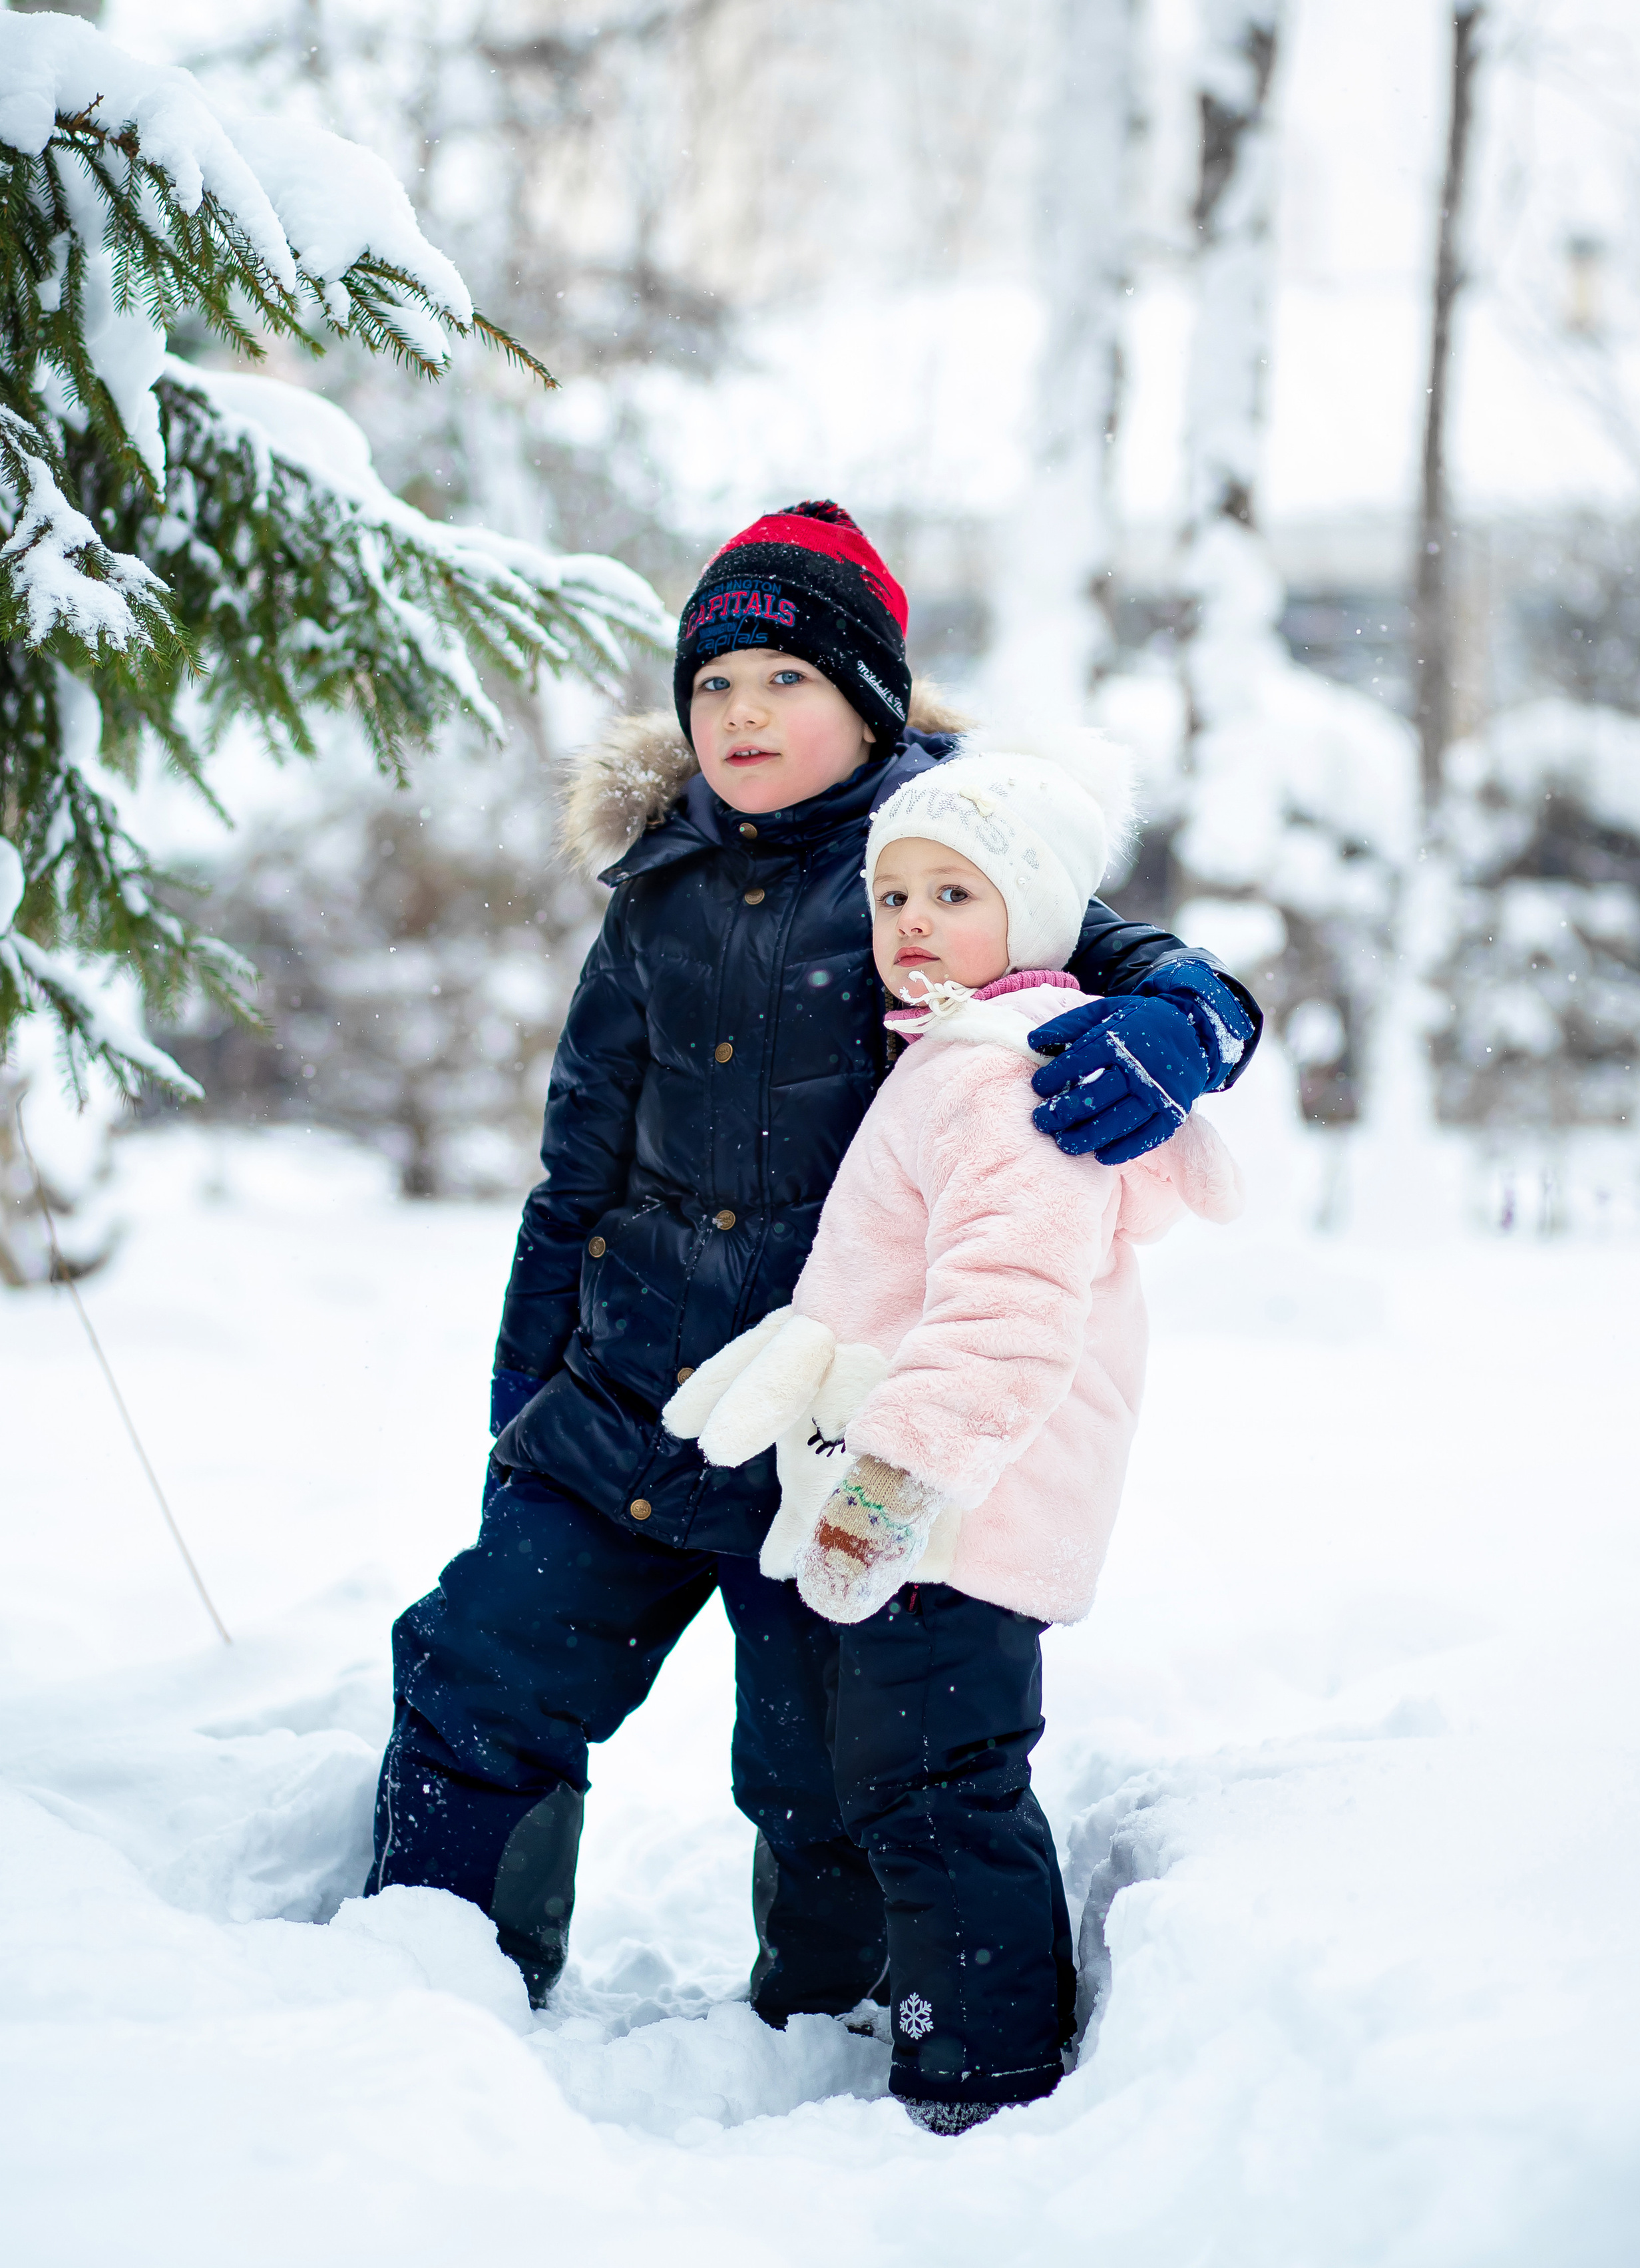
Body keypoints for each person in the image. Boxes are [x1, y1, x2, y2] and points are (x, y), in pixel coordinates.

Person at [364, 501, 1261, 2036]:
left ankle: (826, 2031)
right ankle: (425, 1991)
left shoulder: (941, 860)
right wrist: (525, 1407)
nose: (738, 714)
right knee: (479, 1670)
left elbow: (1115, 951)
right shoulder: (656, 894)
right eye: (710, 686)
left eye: (780, 679)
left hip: (828, 1421)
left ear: (865, 701)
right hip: (635, 1397)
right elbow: (573, 1176)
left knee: (821, 1773)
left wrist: (1192, 1016)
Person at [663, 741, 1243, 2132]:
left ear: (1034, 922)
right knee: (883, 1771)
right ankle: (902, 2019)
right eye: (891, 899)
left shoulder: (1006, 1082)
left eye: (953, 897)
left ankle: (979, 2076)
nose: (909, 926)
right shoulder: (947, 1058)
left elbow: (1007, 1313)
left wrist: (894, 1485)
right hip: (921, 1503)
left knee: (937, 1786)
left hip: (957, 1507)